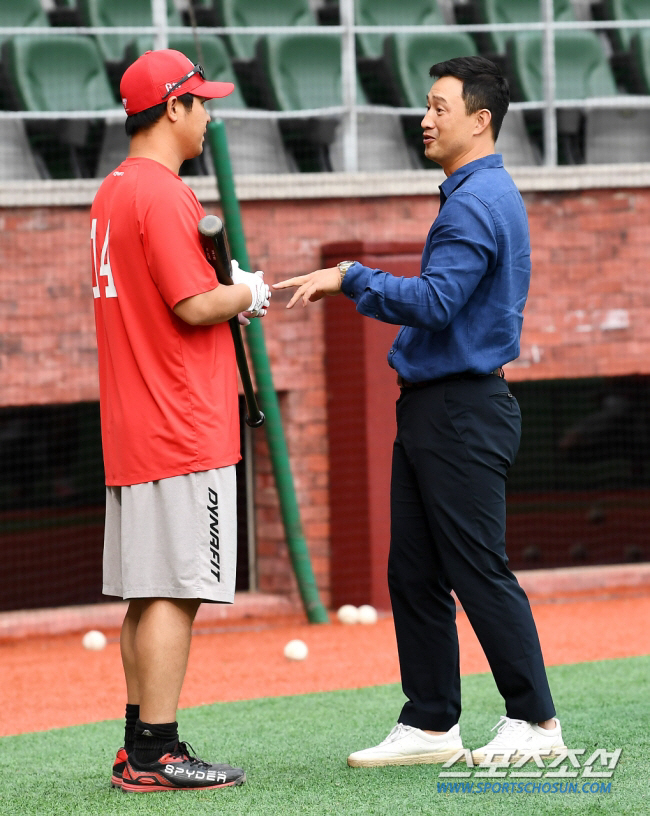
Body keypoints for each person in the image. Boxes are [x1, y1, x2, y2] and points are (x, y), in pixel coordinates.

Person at [274, 56, 565, 767]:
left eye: (439, 106)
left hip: (461, 411)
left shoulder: (474, 201)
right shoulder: (477, 193)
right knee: (413, 571)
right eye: (425, 106)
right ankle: (432, 722)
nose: (425, 119)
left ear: (480, 118)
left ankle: (536, 722)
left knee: (477, 569)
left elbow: (437, 301)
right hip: (441, 410)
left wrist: (351, 277)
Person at [90, 49, 270, 792]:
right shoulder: (162, 194)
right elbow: (195, 304)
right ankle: (158, 752)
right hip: (180, 419)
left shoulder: (111, 189)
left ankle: (139, 743)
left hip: (137, 419)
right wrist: (247, 292)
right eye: (200, 103)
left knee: (148, 590)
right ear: (173, 108)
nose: (209, 116)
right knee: (174, 590)